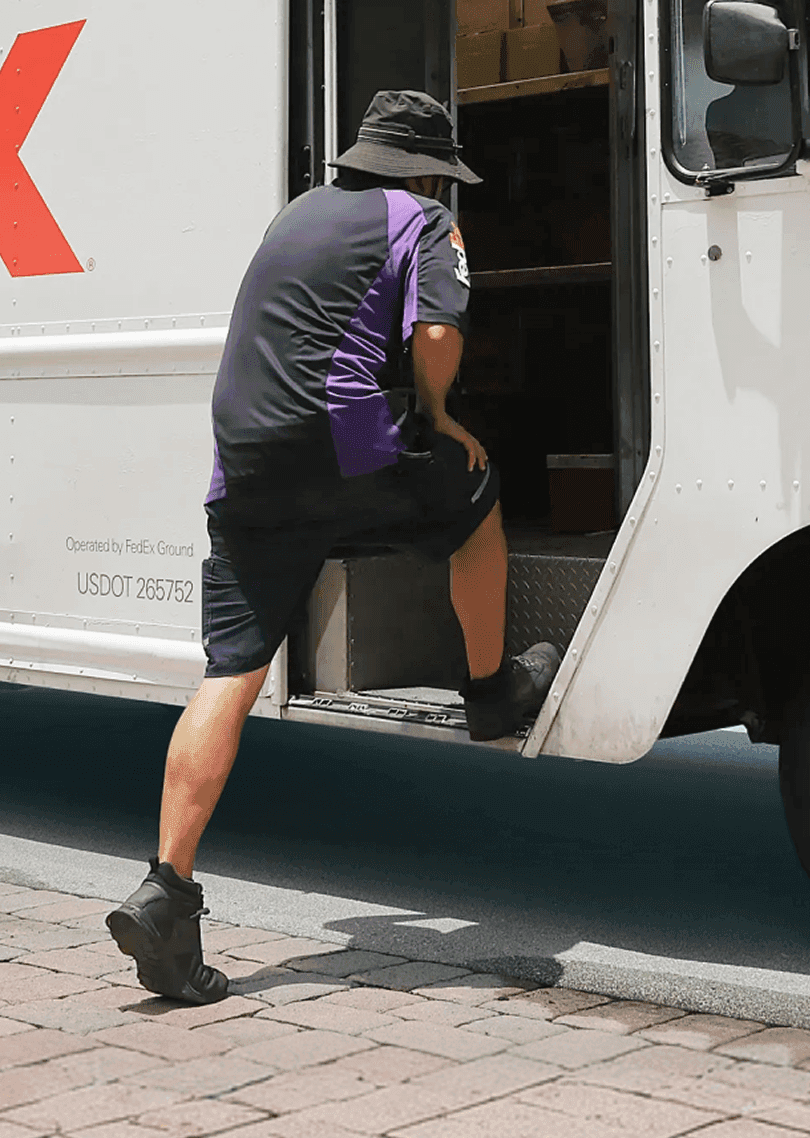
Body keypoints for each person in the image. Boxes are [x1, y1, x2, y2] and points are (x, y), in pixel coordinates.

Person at [105, 89, 562, 1005]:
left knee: (228, 671)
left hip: (244, 466)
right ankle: (489, 691)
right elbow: (435, 330)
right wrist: (437, 416)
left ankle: (166, 887)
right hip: (344, 448)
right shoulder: (424, 218)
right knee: (474, 491)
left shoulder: (294, 217)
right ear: (428, 169)